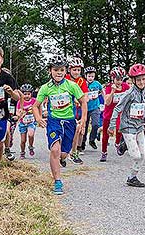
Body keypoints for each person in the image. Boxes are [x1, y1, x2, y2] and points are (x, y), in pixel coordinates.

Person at [32, 55, 87, 195]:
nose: (59, 72)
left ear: (65, 71)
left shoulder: (72, 86)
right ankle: (57, 181)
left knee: (63, 153)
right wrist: (38, 118)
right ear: (50, 71)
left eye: (62, 69)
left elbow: (83, 102)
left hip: (69, 122)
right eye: (56, 69)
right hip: (54, 122)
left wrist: (83, 120)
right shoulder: (45, 88)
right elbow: (35, 105)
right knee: (55, 150)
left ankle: (63, 159)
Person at [108, 63, 145, 187]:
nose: (142, 82)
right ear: (133, 80)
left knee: (143, 155)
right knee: (136, 156)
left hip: (139, 127)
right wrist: (112, 126)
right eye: (138, 80)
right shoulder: (129, 93)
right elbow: (117, 109)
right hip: (128, 127)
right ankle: (123, 143)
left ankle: (132, 177)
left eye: (143, 79)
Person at [101, 67, 130, 162]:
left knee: (119, 128)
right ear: (112, 79)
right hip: (108, 114)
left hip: (119, 114)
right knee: (106, 135)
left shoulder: (126, 87)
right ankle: (104, 152)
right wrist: (113, 92)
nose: (119, 82)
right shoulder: (109, 87)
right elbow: (107, 102)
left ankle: (117, 143)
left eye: (121, 79)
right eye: (117, 79)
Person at [65, 57, 88, 164]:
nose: (76, 72)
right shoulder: (65, 78)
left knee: (77, 130)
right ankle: (64, 151)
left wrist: (81, 100)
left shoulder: (82, 81)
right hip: (64, 109)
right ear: (69, 70)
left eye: (78, 70)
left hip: (77, 110)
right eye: (74, 70)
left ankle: (74, 152)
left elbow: (85, 96)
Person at [83, 66, 103, 150]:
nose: (90, 78)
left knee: (96, 124)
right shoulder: (83, 83)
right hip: (86, 107)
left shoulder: (97, 84)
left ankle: (92, 139)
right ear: (86, 76)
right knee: (85, 125)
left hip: (95, 107)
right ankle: (82, 142)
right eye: (89, 76)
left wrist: (103, 101)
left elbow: (102, 92)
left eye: (92, 76)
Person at [17, 84, 38, 159]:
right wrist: (20, 114)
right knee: (23, 140)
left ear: (31, 94)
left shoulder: (34, 101)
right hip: (23, 123)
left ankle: (31, 146)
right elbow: (17, 112)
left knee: (31, 134)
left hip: (31, 122)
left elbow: (38, 108)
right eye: (25, 94)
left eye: (28, 94)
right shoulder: (20, 102)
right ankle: (22, 152)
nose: (27, 96)